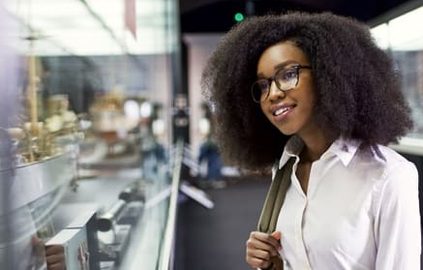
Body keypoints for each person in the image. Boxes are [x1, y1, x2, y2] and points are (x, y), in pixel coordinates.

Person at [201, 11, 421, 270]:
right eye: (262, 85)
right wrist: (276, 265)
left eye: (287, 74)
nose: (272, 94)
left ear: (328, 74)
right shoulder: (284, 170)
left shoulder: (388, 176)